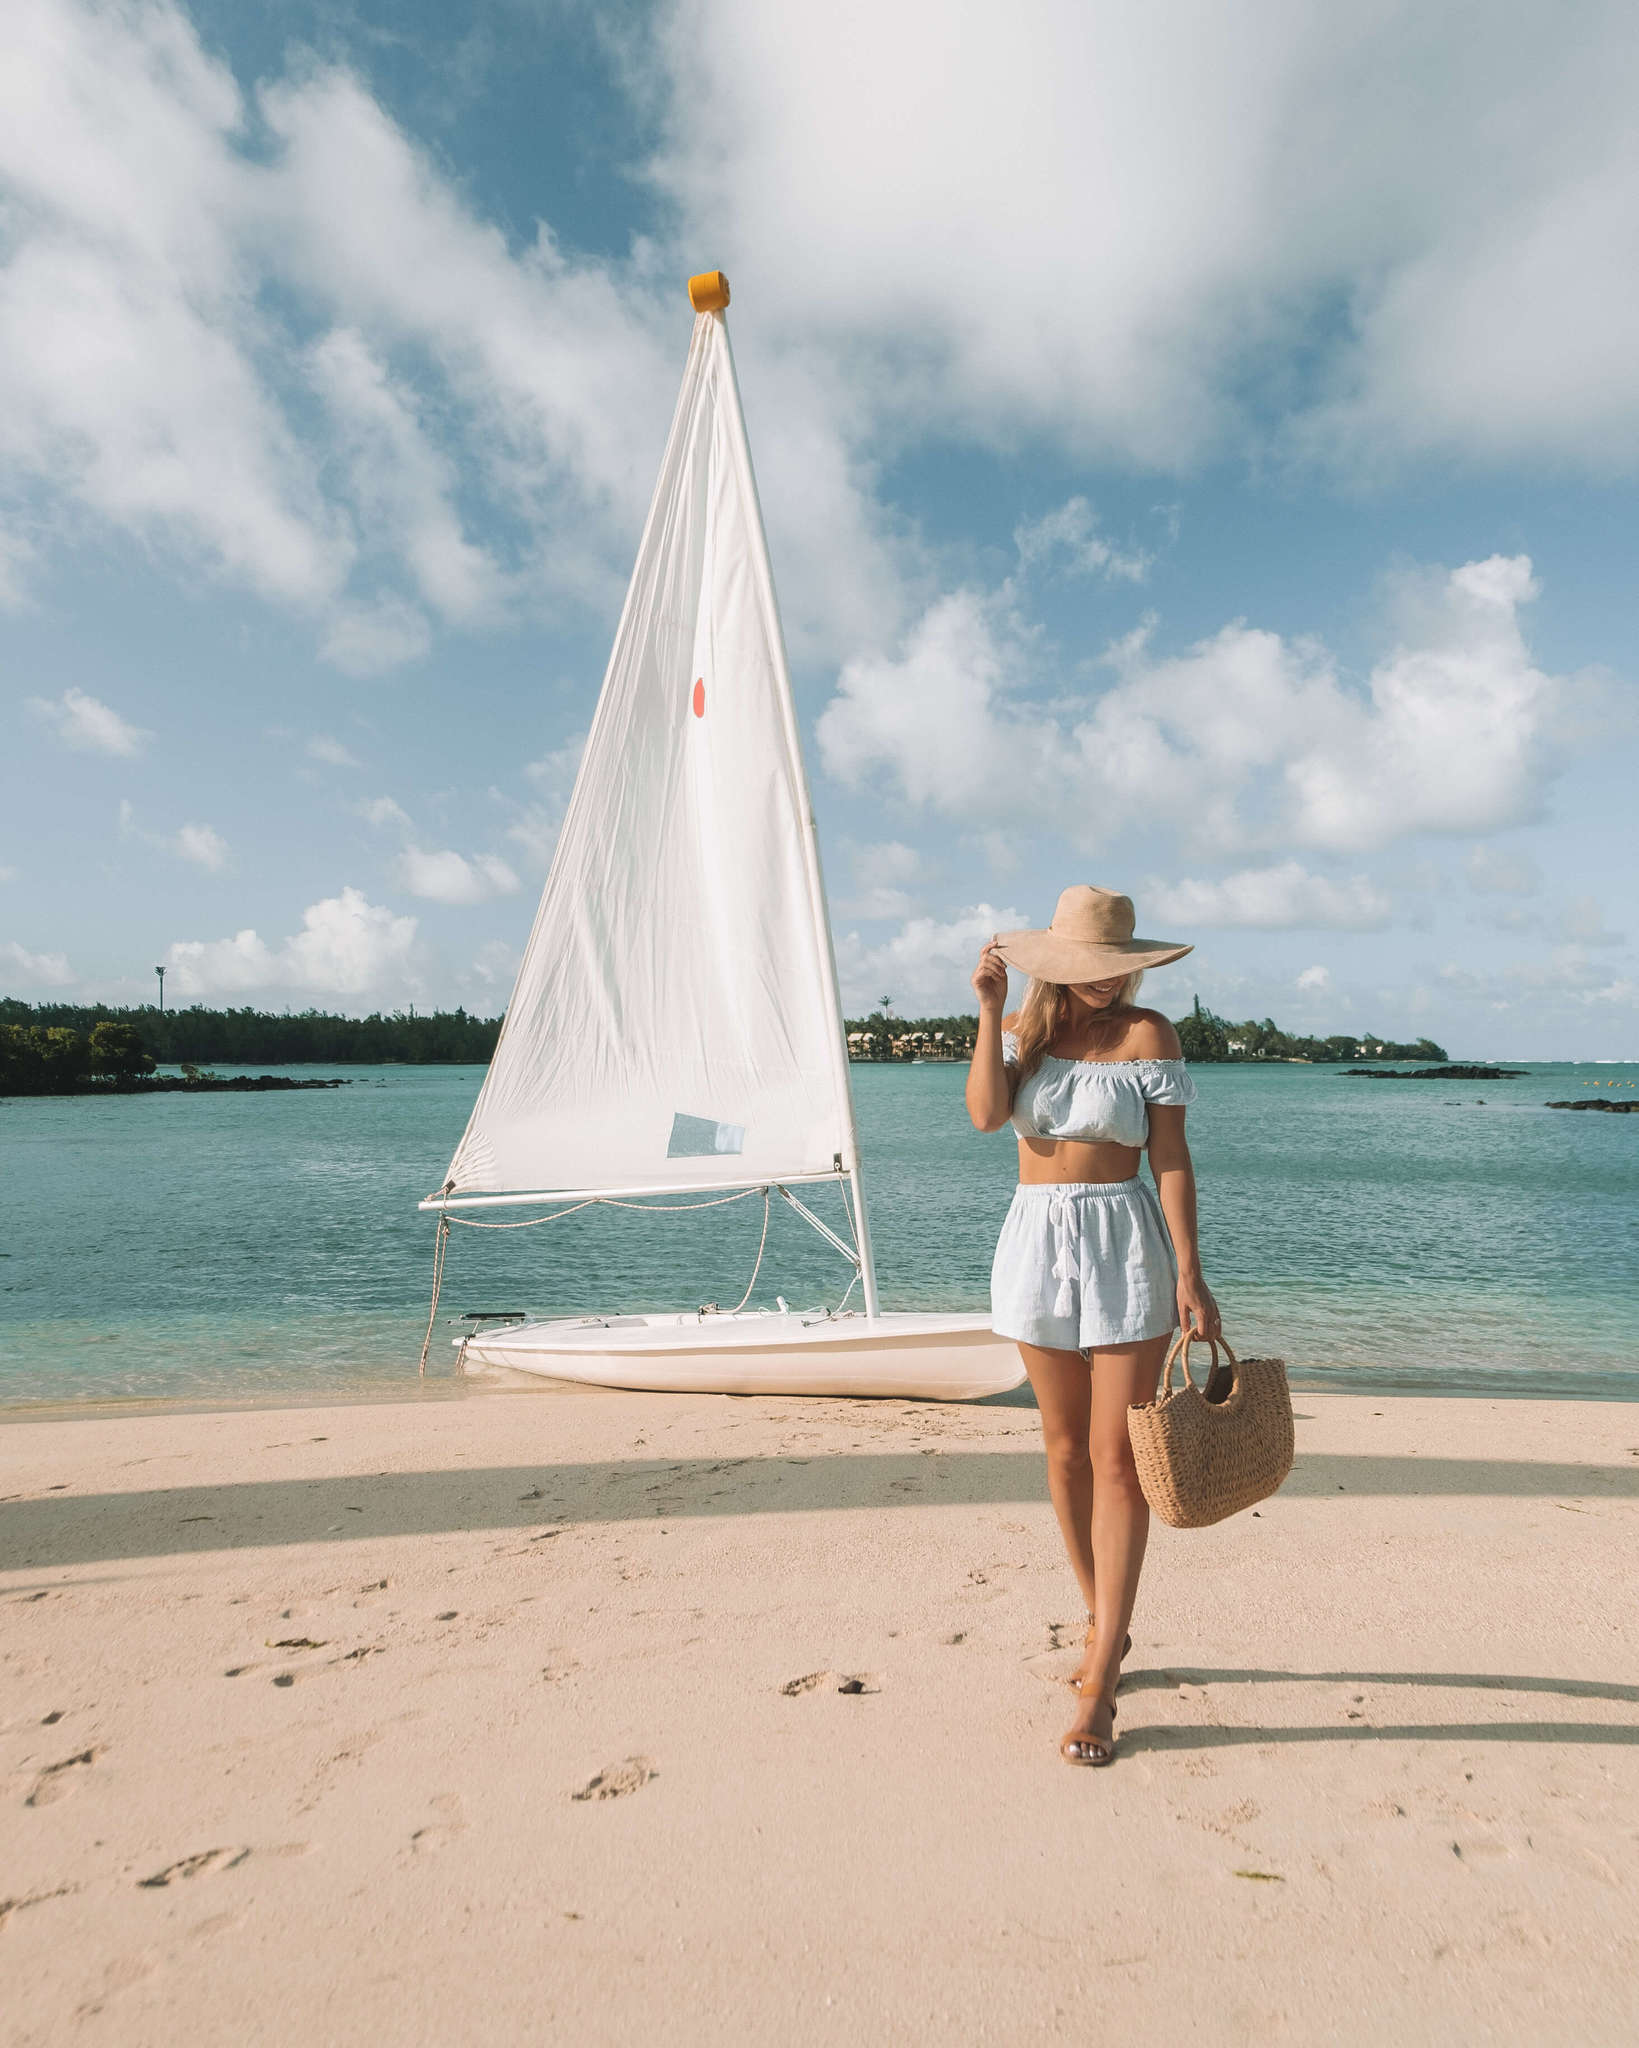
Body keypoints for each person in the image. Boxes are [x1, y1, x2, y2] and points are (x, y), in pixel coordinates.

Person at [966, 885, 1219, 1767]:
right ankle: (1098, 1615)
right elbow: (985, 1115)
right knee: (1064, 1449)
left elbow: (1171, 1155)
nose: (1108, 984)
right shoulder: (1025, 1037)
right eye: (1092, 968)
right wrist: (993, 1012)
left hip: (1124, 1238)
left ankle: (1105, 1665)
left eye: (1120, 967)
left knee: (1119, 1459)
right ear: (1061, 966)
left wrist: (1189, 1268)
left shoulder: (1150, 1037)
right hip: (1034, 1241)